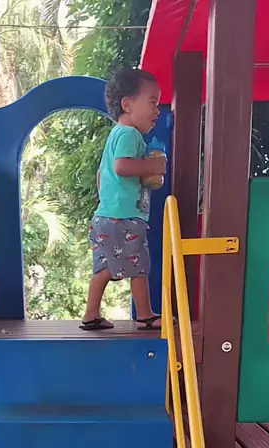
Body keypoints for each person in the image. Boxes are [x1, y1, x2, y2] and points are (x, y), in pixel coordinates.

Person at [81, 68, 165, 331]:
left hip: (107, 215)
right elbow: (122, 167)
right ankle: (145, 315)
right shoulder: (130, 134)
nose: (157, 110)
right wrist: (152, 167)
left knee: (105, 268)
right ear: (127, 105)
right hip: (123, 218)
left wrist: (109, 199)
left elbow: (101, 174)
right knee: (138, 266)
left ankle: (91, 315)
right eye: (152, 102)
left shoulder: (116, 134)